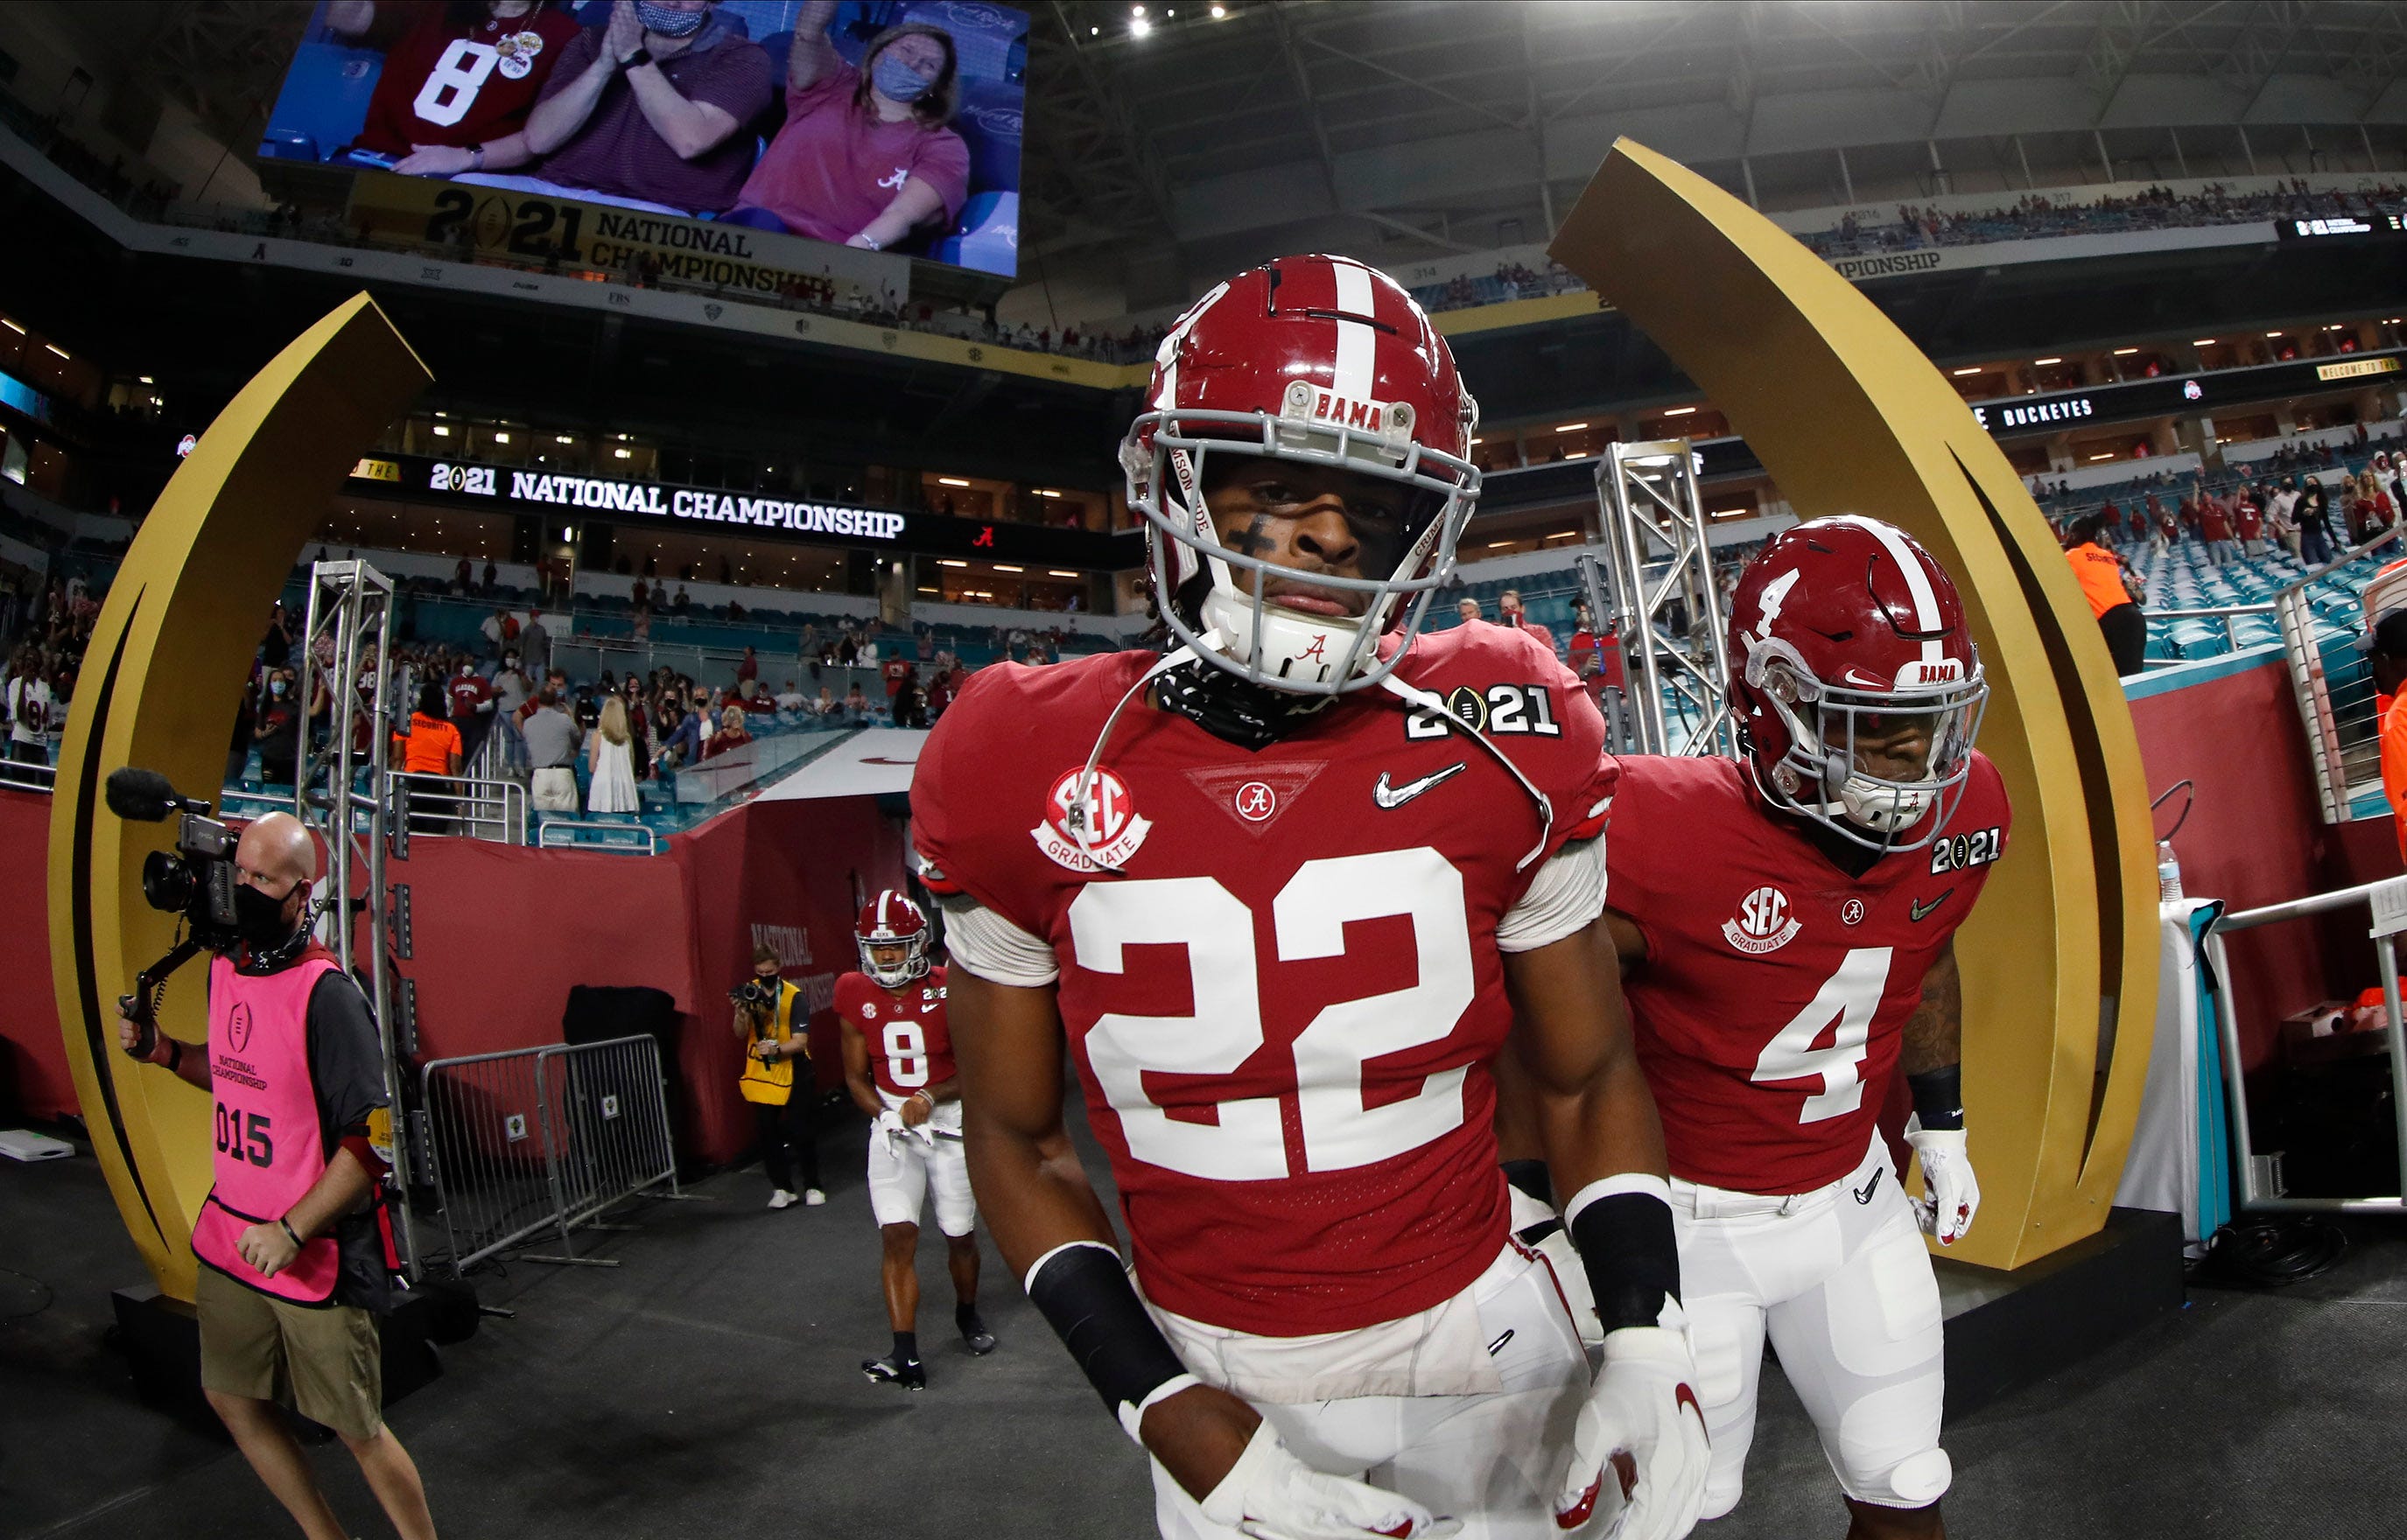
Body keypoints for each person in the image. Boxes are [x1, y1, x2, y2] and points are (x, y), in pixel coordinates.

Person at [911, 255, 1707, 1540]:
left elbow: (1585, 1076)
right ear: (1178, 484)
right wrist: (1160, 1403)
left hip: (1483, 1329)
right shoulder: (1014, 751)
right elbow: (1015, 1139)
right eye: (1279, 488)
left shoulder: (1506, 717)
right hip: (1208, 1363)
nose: (1332, 535)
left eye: (1374, 504)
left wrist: (1644, 1327)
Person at [1560, 516, 2009, 1539]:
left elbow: (1927, 946)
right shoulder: (1651, 829)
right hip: (1686, 1222)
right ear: (1775, 706)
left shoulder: (1970, 805)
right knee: (1672, 1508)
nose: (1917, 762)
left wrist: (1941, 1122)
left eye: (1933, 721)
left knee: (1905, 1485)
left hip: (1853, 1201)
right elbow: (1539, 1021)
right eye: (1876, 725)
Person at [115, 813, 439, 1540]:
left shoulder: (329, 995)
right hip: (232, 1240)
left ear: (302, 894)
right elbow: (236, 1072)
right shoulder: (226, 968)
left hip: (311, 1253)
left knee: (357, 1429)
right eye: (240, 873)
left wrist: (292, 1230)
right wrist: (166, 1052)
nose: (244, 889)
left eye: (263, 879)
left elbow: (375, 1140)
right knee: (231, 1398)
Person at [838, 892, 993, 1390]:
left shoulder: (950, 987)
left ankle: (966, 1312)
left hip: (949, 1125)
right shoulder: (852, 990)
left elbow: (978, 1066)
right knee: (896, 1234)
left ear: (920, 942)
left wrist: (929, 1096)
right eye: (876, 947)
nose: (886, 956)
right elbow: (855, 1076)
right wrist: (884, 1114)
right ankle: (904, 1352)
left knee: (959, 1233)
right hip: (893, 1130)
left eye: (895, 945)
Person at [727, 1, 969, 253]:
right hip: (755, 233)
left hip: (839, 254)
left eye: (929, 65)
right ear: (879, 52)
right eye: (906, 50)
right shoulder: (831, 84)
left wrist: (857, 248)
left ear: (936, 88)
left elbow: (902, 214)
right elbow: (809, 31)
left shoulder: (943, 145)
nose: (913, 64)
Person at [509, 0, 773, 217]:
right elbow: (539, 140)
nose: (673, 3)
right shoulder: (590, 41)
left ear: (713, 3)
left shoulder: (743, 58)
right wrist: (603, 66)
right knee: (483, 195)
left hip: (658, 208)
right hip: (554, 189)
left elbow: (691, 141)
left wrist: (633, 56)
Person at [332, 0, 579, 178]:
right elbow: (344, 17)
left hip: (467, 178)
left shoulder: (564, 34)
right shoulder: (431, 6)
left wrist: (466, 157)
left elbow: (538, 137)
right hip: (375, 159)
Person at [733, 943, 823, 1209]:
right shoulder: (748, 992)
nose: (765, 976)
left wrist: (776, 1049)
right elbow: (739, 1033)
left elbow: (801, 1041)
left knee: (801, 1130)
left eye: (769, 972)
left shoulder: (795, 997)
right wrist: (740, 1013)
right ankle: (782, 1188)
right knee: (767, 1131)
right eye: (760, 973)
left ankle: (813, 1185)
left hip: (794, 1067)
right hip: (762, 1072)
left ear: (779, 968)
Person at [2064, 514, 2147, 676]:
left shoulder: (2072, 556)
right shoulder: (2108, 557)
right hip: (2134, 618)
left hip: (2112, 623)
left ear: (2074, 535)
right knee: (2133, 678)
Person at [393, 682, 466, 833]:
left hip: (412, 782)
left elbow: (397, 758)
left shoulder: (407, 722)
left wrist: (393, 790)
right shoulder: (451, 729)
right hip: (437, 785)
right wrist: (460, 801)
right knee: (435, 838)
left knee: (410, 835)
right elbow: (456, 768)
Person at [522, 684, 582, 813]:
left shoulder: (528, 723)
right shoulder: (565, 720)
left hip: (540, 774)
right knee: (567, 818)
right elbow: (577, 738)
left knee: (544, 818)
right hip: (562, 774)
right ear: (556, 700)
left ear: (538, 700)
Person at [586, 693, 641, 813]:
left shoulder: (598, 735)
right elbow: (631, 765)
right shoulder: (627, 739)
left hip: (603, 787)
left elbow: (592, 767)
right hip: (625, 787)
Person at [5, 648, 53, 766]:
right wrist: (24, 683)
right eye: (28, 659)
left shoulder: (45, 687)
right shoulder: (16, 683)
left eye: (34, 659)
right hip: (22, 741)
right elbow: (19, 715)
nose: (31, 663)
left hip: (40, 744)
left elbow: (48, 722)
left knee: (43, 776)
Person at [1497, 586, 1555, 654]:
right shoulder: (1497, 636)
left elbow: (1549, 655)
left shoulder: (1539, 632)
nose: (1510, 611)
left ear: (1522, 609)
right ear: (1501, 612)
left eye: (1513, 607)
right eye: (1505, 609)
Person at [2300, 480, 2340, 566]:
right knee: (2314, 563)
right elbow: (2294, 519)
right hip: (2307, 537)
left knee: (2329, 560)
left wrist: (2335, 540)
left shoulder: (2321, 502)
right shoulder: (2301, 501)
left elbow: (2327, 523)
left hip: (2319, 536)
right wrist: (2304, 514)